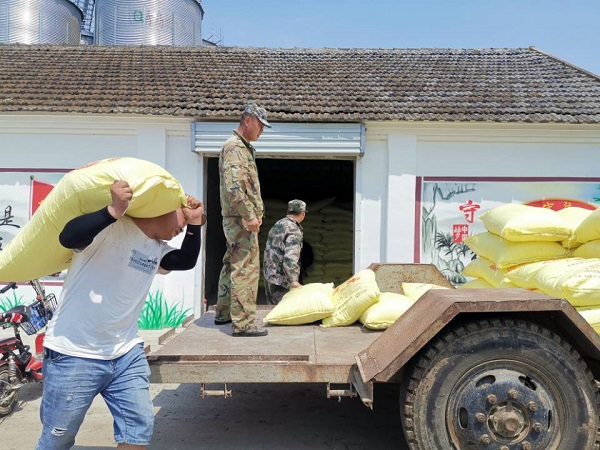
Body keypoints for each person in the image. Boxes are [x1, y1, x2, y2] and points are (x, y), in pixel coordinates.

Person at [35, 180, 206, 450]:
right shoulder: (111, 229)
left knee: (138, 430)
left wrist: (195, 224)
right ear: (160, 207)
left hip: (126, 353)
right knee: (58, 438)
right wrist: (114, 210)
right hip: (74, 353)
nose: (183, 224)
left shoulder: (157, 248)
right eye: (181, 213)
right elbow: (68, 237)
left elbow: (185, 260)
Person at [215, 101, 271, 337]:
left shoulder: (241, 147)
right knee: (245, 269)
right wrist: (249, 214)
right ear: (248, 120)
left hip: (237, 217)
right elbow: (235, 187)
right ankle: (244, 324)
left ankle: (224, 313)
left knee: (232, 263)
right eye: (260, 125)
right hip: (240, 219)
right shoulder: (235, 148)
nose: (262, 130)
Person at [263, 199, 307, 305]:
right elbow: (290, 257)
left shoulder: (278, 224)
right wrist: (293, 281)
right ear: (303, 213)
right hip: (282, 280)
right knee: (283, 309)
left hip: (269, 275)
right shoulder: (293, 230)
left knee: (272, 309)